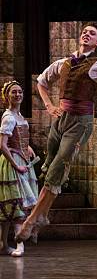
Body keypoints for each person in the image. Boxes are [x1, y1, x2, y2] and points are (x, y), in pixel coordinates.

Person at [16, 22, 97, 242]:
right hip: (61, 120)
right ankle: (42, 217)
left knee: (57, 170)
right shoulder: (64, 63)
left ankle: (31, 220)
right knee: (49, 168)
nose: (86, 34)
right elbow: (41, 82)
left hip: (80, 123)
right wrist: (49, 106)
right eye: (85, 31)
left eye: (92, 33)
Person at [0, 81, 38, 256]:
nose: (18, 95)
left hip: (23, 161)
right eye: (14, 92)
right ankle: (19, 244)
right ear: (7, 96)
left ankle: (3, 244)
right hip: (12, 163)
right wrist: (15, 165)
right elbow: (3, 145)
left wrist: (28, 148)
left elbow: (21, 139)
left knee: (17, 203)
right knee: (16, 203)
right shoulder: (8, 117)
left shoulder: (20, 117)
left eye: (20, 92)